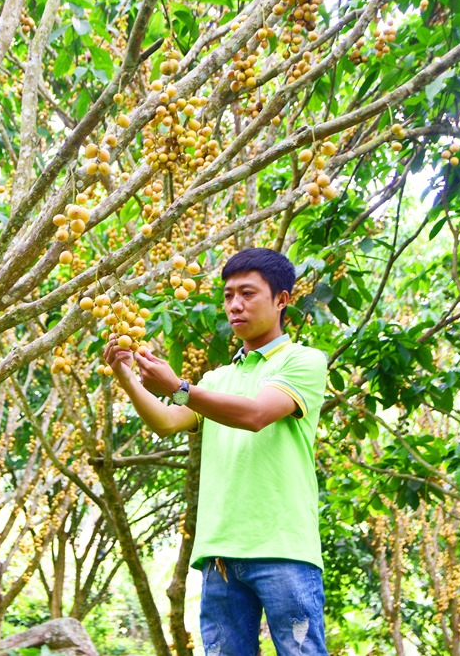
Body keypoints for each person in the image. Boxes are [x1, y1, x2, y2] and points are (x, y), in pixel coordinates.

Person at [103, 247, 329, 656]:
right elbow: (167, 422)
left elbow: (258, 413)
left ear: (282, 299)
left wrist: (180, 388)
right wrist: (125, 375)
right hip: (219, 553)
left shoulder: (305, 361)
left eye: (247, 293)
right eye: (227, 296)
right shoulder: (217, 378)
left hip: (283, 548)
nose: (234, 305)